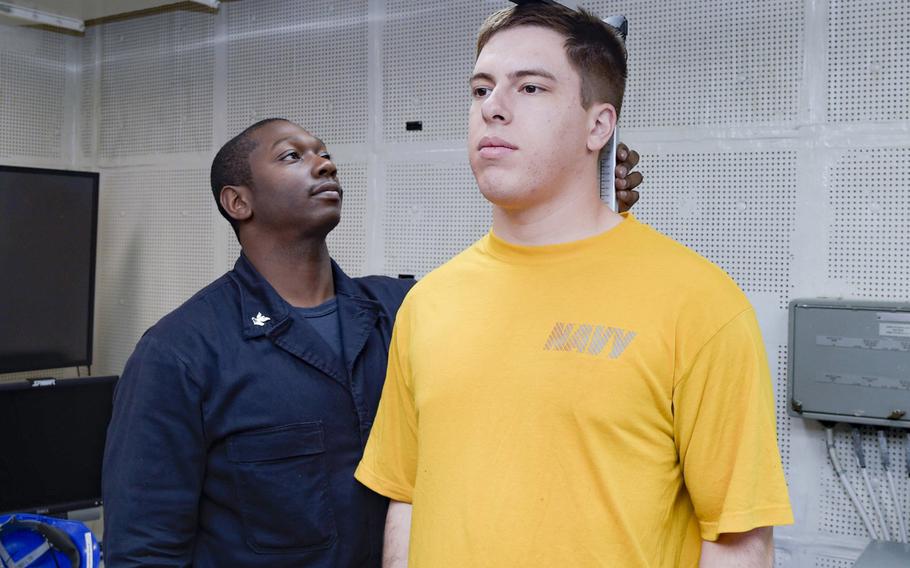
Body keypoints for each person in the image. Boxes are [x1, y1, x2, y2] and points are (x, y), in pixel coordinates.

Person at [355, 4, 793, 568]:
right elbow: (408, 495)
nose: (493, 108)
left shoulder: (700, 304)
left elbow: (738, 538)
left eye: (530, 87)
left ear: (598, 125)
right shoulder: (428, 303)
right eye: (481, 88)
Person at [101, 117, 643, 567]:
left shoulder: (402, 309)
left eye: (324, 152)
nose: (324, 163)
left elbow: (516, 301)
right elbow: (145, 549)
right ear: (238, 202)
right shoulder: (180, 353)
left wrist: (576, 205)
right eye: (292, 156)